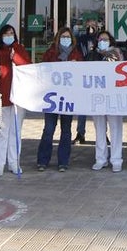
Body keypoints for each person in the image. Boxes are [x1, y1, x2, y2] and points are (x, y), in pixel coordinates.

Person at [37, 26, 82, 171]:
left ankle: (63, 161)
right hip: (52, 98)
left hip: (68, 98)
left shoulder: (76, 54)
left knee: (66, 130)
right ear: (58, 39)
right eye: (63, 37)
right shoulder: (50, 53)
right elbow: (42, 70)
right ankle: (43, 160)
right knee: (49, 129)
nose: (65, 39)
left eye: (68, 37)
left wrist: (77, 66)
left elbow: (82, 73)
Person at [0, 23, 31, 177]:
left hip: (18, 97)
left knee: (15, 132)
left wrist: (15, 57)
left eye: (11, 33)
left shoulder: (19, 49)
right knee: (1, 131)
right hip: (1, 96)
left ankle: (14, 162)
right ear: (1, 35)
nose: (9, 36)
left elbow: (28, 66)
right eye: (6, 33)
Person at [86, 30, 125, 172]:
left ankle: (116, 159)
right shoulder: (91, 55)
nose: (103, 41)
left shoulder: (118, 55)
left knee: (116, 128)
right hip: (97, 97)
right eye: (101, 39)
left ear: (111, 41)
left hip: (114, 96)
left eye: (106, 39)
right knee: (99, 129)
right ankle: (100, 159)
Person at [74, 19, 101, 144]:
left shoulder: (99, 40)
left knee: (99, 106)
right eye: (89, 26)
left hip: (97, 75)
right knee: (82, 105)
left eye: (93, 25)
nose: (91, 28)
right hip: (83, 73)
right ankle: (80, 132)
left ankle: (102, 134)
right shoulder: (82, 40)